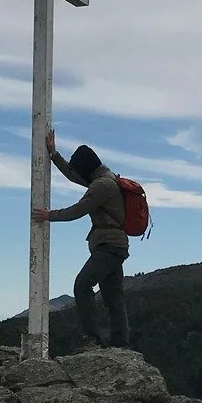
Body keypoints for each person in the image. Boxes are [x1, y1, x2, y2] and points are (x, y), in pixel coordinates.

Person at [32, 129, 130, 351]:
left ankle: (92, 340)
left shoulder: (102, 185)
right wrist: (54, 155)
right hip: (114, 245)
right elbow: (74, 175)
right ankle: (121, 345)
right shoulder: (105, 179)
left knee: (83, 285)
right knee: (114, 297)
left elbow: (79, 209)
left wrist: (49, 215)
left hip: (109, 246)